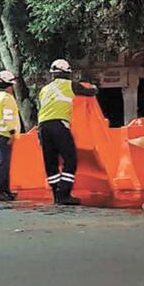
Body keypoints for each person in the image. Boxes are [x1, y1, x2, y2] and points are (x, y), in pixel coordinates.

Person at [37, 59, 98, 206]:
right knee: (70, 159)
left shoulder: (44, 90)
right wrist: (94, 86)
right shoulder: (70, 85)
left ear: (53, 74)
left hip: (43, 127)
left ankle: (56, 195)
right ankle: (64, 193)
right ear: (67, 73)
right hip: (59, 125)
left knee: (50, 162)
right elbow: (91, 92)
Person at [0, 70, 20, 202]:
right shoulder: (7, 98)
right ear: (9, 85)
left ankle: (5, 191)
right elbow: (9, 118)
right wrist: (12, 133)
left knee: (4, 164)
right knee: (3, 164)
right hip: (5, 135)